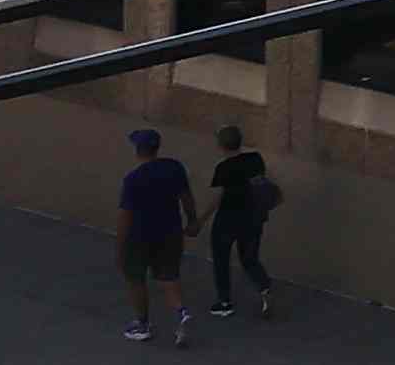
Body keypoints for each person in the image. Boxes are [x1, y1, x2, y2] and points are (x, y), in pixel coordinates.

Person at [110, 129, 193, 346]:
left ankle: (142, 324)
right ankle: (180, 312)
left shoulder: (133, 179)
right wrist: (192, 220)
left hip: (140, 236)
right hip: (170, 232)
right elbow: (186, 196)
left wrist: (119, 248)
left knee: (136, 279)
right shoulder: (174, 167)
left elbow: (124, 217)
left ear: (138, 150)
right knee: (169, 277)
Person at [206, 128, 280, 320]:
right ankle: (264, 289)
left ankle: (224, 302)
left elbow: (218, 196)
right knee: (249, 258)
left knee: (221, 258)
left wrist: (200, 219)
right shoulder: (255, 159)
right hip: (253, 218)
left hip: (228, 219)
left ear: (220, 145)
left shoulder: (223, 168)